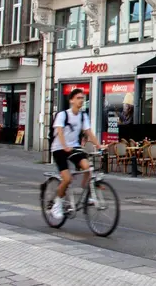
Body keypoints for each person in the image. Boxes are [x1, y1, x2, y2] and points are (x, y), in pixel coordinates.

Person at [50, 88, 105, 220]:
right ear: (72, 100)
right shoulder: (63, 115)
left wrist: (98, 145)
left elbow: (89, 132)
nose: (81, 100)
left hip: (74, 148)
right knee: (67, 179)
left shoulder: (82, 116)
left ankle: (87, 192)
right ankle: (56, 203)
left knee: (88, 167)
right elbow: (60, 132)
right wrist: (64, 146)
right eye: (79, 98)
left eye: (83, 98)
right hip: (59, 149)